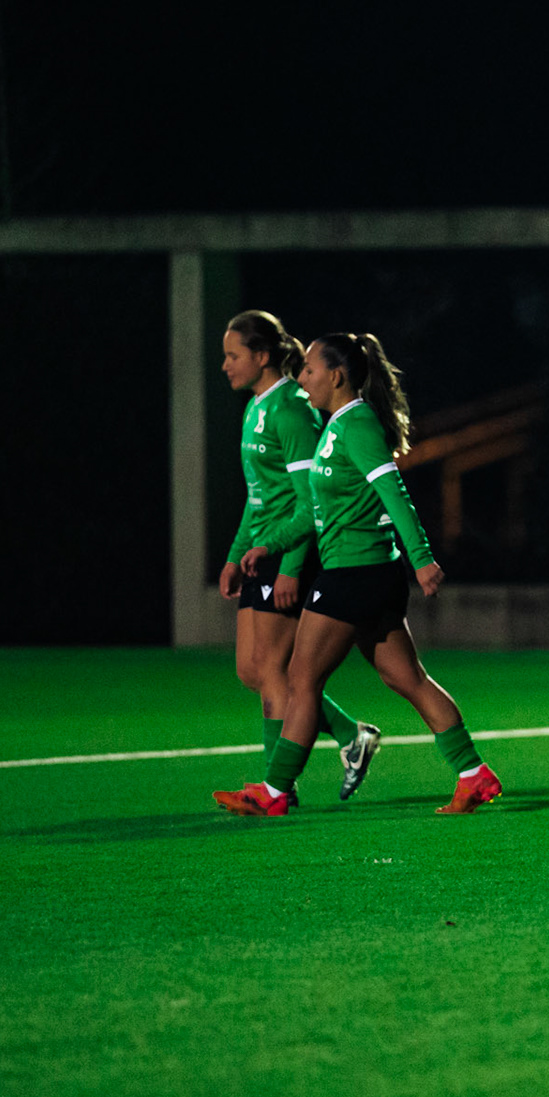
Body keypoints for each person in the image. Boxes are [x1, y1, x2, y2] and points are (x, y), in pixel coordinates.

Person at [215, 332, 503, 818]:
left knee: (301, 678)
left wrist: (422, 558)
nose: (301, 378)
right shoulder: (337, 426)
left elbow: (395, 493)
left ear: (336, 376)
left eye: (309, 370)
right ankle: (474, 774)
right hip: (364, 574)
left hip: (356, 573)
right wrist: (269, 544)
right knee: (406, 677)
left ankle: (275, 791)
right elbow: (316, 510)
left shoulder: (359, 424)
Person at [217, 310, 380, 801]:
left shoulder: (291, 409)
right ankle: (351, 734)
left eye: (233, 355)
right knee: (251, 670)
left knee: (274, 671)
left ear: (262, 356)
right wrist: (234, 555)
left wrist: (291, 567)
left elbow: (310, 498)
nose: (225, 365)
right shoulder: (256, 407)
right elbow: (257, 495)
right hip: (261, 550)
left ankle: (275, 790)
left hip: (288, 551)